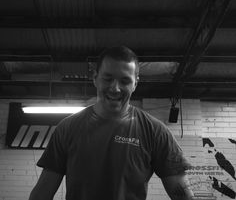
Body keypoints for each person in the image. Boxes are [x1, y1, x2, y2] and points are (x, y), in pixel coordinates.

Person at [29, 46, 194, 200]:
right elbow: (43, 190)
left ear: (135, 83)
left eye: (124, 81)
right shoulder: (67, 128)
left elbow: (181, 192)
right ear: (95, 78)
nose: (115, 88)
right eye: (108, 79)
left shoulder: (155, 131)